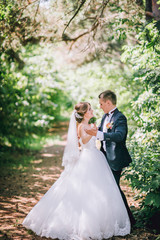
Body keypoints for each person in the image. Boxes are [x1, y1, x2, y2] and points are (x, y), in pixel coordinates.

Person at [22, 102, 130, 239]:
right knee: (84, 188)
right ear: (84, 113)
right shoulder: (81, 126)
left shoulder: (90, 125)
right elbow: (83, 142)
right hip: (87, 158)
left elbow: (95, 136)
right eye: (90, 109)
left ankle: (101, 219)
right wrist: (93, 132)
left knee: (101, 188)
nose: (92, 111)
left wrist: (95, 131)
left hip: (96, 156)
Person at [85, 90, 136, 227]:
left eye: (101, 103)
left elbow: (119, 136)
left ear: (108, 102)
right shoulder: (105, 117)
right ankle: (113, 220)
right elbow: (99, 131)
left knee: (114, 188)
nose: (100, 106)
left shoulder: (120, 117)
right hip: (104, 158)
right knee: (109, 189)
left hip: (116, 159)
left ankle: (128, 221)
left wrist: (99, 134)